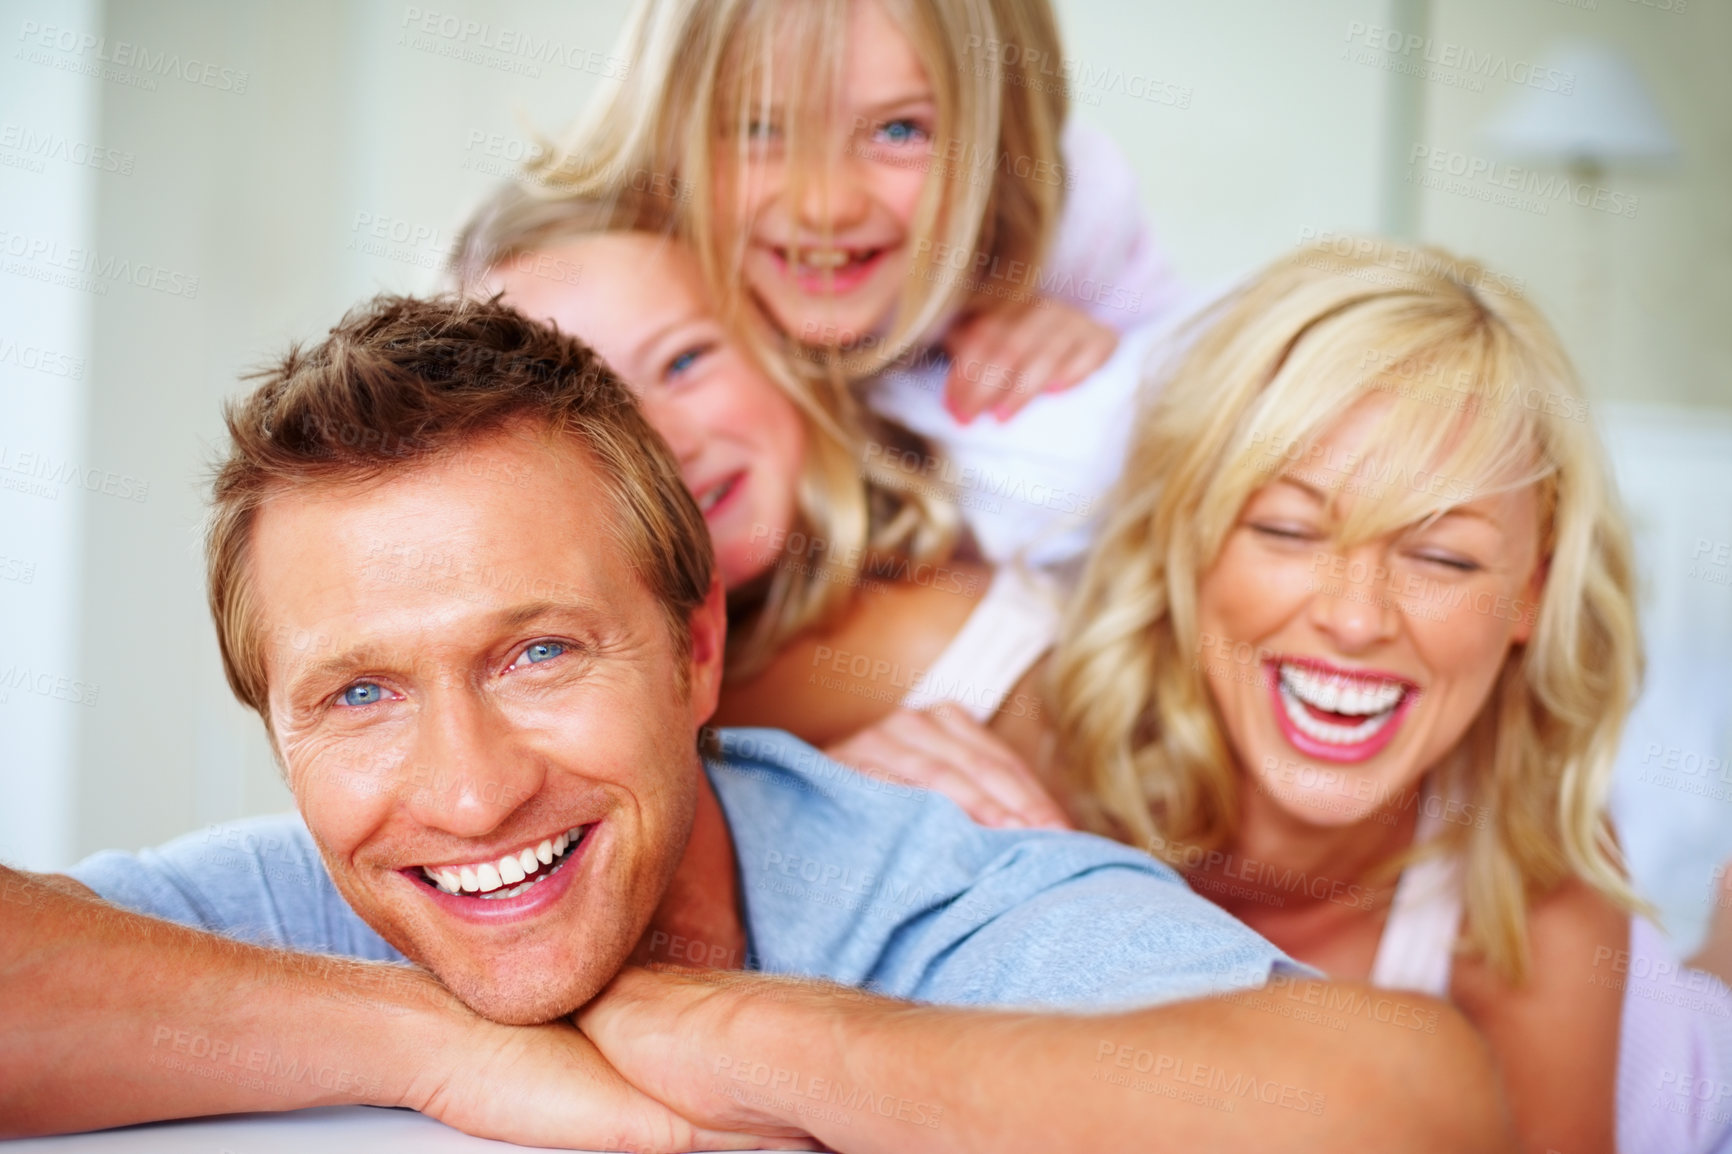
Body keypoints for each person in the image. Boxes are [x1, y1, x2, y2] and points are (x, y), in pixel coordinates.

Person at [1, 294, 1514, 1152]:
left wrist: (721, 1024)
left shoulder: (934, 901)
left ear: (697, 645)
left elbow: (1406, 1106)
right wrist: (429, 1040)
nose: (465, 796)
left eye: (537, 650)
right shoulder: (306, 902)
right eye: (359, 695)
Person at [863, 240, 1732, 1154]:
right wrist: (813, 786)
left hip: (1668, 1067)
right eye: (1288, 531)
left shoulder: (1531, 883)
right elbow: (704, 708)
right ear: (1186, 540)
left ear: (1529, 598)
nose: (1356, 619)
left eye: (1442, 556)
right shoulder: (977, 685)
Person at [458, 187, 1070, 827]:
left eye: (685, 360)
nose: (667, 442)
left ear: (788, 353)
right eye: (588, 413)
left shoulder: (958, 643)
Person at [531, 0, 1180, 566]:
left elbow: (1189, 361)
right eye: (759, 128)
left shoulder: (1079, 219)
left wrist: (1079, 326)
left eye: (901, 130)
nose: (824, 206)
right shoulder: (606, 272)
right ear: (669, 142)